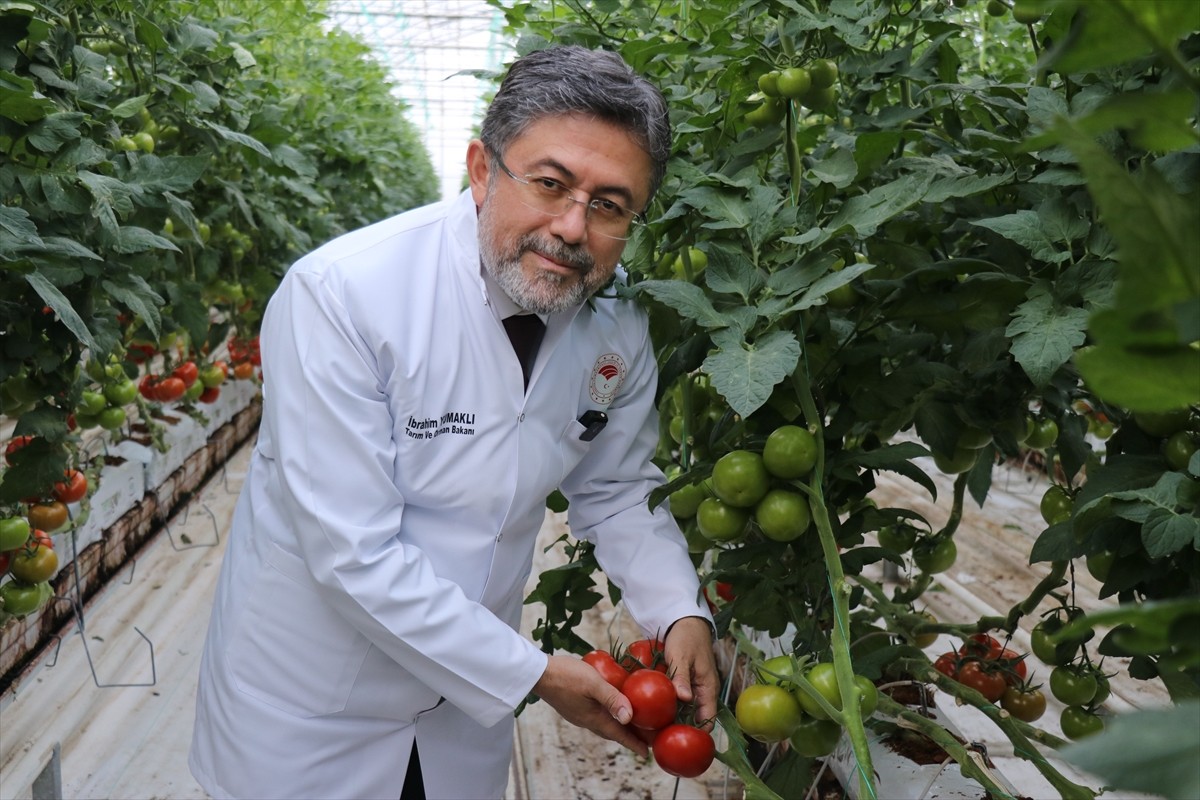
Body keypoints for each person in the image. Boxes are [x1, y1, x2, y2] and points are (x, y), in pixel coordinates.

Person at [188, 45, 718, 800]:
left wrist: (678, 611)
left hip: (461, 712)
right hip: (312, 711)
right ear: (480, 168)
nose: (572, 227)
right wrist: (529, 671)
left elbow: (619, 489)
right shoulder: (344, 296)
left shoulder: (617, 319)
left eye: (610, 205)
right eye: (550, 183)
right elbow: (353, 553)